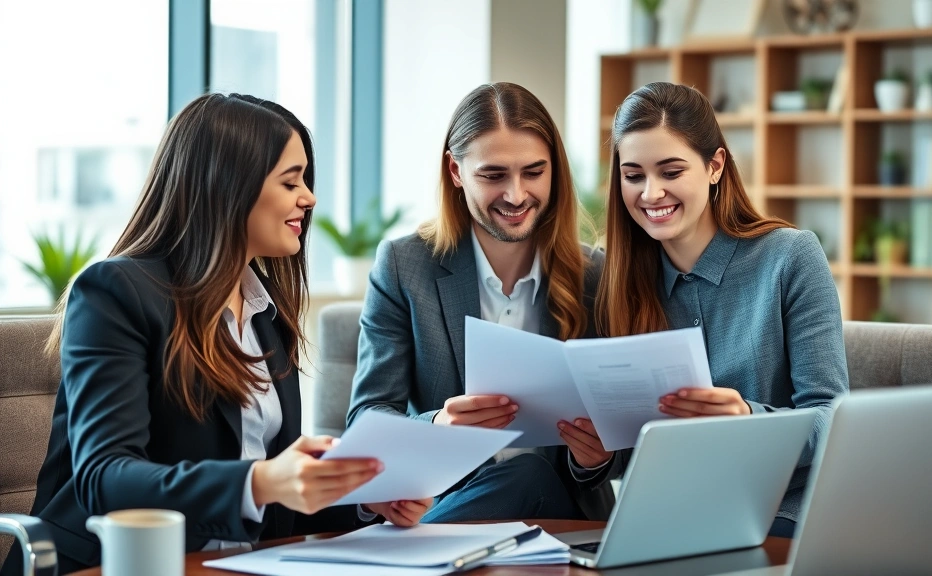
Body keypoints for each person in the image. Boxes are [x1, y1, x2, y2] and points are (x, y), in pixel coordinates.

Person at [0, 93, 430, 576]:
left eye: (306, 181)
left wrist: (365, 501)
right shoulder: (115, 292)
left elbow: (272, 504)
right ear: (228, 188)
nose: (308, 198)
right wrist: (263, 480)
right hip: (112, 564)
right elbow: (106, 478)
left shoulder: (267, 312)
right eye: (291, 181)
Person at [567, 82, 849, 538]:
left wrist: (749, 420)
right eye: (633, 175)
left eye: (671, 171)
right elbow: (630, 446)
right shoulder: (616, 279)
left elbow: (833, 418)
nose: (651, 193)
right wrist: (595, 456)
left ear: (715, 165)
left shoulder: (790, 257)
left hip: (780, 514)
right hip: (667, 515)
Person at [347, 82, 615, 522]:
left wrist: (596, 457)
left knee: (529, 474)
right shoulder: (404, 265)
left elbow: (623, 439)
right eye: (493, 176)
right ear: (455, 171)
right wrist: (438, 427)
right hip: (450, 503)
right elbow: (367, 419)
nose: (515, 195)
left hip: (560, 517)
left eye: (533, 172)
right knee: (518, 477)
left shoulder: (595, 276)